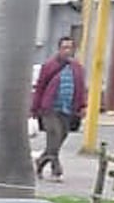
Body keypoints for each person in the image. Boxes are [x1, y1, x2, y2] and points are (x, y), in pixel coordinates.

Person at [30, 35, 86, 181]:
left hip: (67, 109)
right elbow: (40, 87)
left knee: (60, 138)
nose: (67, 51)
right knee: (54, 136)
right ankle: (57, 171)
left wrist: (82, 106)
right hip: (50, 109)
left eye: (70, 48)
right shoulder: (50, 66)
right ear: (59, 49)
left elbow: (80, 88)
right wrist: (34, 109)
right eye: (64, 48)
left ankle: (41, 162)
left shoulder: (77, 68)